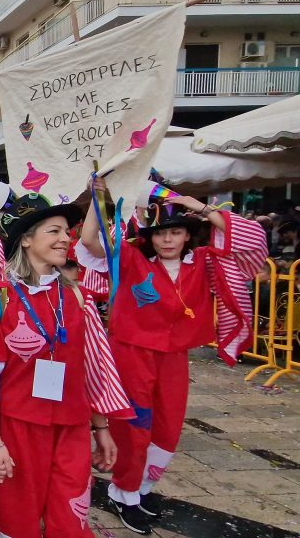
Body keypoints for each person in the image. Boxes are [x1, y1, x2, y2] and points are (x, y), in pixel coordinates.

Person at [79, 179, 267, 535]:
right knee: (134, 426)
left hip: (175, 356)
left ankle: (144, 487)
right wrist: (97, 196)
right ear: (149, 237)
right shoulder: (132, 258)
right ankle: (125, 493)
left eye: (175, 232)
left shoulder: (205, 262)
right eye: (160, 233)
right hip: (132, 352)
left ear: (186, 235)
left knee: (168, 425)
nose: (167, 239)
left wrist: (191, 203)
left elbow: (251, 238)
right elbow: (91, 241)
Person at [0, 193, 132, 538]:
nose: (65, 239)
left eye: (66, 232)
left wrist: (101, 428)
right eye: (54, 231)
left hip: (72, 426)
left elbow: (90, 368)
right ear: (26, 239)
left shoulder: (78, 296)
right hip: (18, 425)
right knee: (17, 518)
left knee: (71, 517)